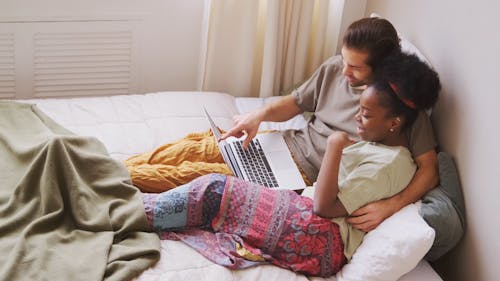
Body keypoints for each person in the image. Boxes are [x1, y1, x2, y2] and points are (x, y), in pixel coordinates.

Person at [141, 52, 441, 277]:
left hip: (320, 237)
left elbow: (325, 207)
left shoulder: (392, 160)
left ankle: (128, 210)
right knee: (202, 160)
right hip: (310, 216)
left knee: (213, 189)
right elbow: (297, 103)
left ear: (394, 122)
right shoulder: (379, 140)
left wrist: (336, 146)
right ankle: (124, 187)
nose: (356, 118)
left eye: (365, 114)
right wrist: (258, 115)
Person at [125, 16, 438, 232]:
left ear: (382, 67)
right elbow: (295, 103)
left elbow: (429, 168)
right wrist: (257, 117)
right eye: (344, 61)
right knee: (192, 147)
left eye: (355, 67)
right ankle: (103, 167)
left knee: (193, 176)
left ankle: (103, 177)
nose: (344, 72)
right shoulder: (334, 68)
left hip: (300, 174)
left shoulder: (400, 106)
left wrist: (392, 205)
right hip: (280, 142)